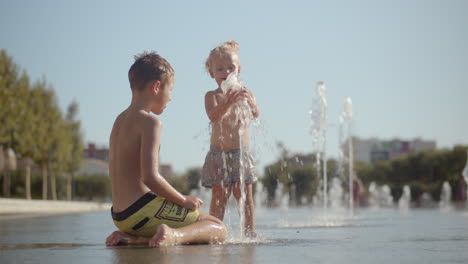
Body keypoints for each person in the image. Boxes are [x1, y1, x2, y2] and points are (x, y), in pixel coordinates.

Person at [105, 51, 227, 247]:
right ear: (156, 87)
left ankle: (134, 238)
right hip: (141, 210)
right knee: (217, 226)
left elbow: (114, 171)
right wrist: (183, 200)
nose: (170, 98)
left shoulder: (119, 120)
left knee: (196, 220)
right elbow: (150, 177)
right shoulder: (150, 122)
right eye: (170, 90)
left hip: (120, 215)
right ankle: (173, 236)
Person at [202, 40, 260, 237]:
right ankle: (213, 230)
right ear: (212, 73)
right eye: (220, 69)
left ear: (239, 70)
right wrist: (227, 102)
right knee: (220, 195)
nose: (226, 72)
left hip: (241, 154)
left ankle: (249, 232)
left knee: (245, 196)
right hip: (219, 154)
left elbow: (256, 114)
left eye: (230, 68)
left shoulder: (245, 93)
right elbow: (213, 116)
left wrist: (251, 102)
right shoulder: (213, 96)